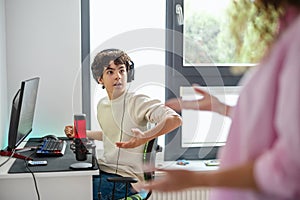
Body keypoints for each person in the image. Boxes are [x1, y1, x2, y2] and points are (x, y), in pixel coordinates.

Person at [140, 1, 300, 199]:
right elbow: (276, 123)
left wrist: (197, 180)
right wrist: (222, 108)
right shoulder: (287, 30)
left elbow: (290, 167)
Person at [64, 48, 182, 200]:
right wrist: (81, 133)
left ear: (128, 74)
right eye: (110, 72)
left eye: (122, 71)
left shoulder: (137, 101)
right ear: (100, 79)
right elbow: (110, 134)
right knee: (70, 180)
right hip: (105, 171)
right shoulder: (102, 104)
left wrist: (145, 137)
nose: (118, 77)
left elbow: (175, 119)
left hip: (125, 180)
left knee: (71, 189)